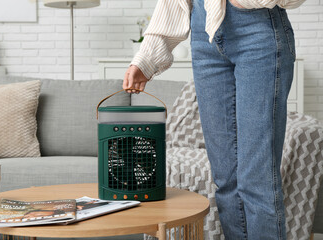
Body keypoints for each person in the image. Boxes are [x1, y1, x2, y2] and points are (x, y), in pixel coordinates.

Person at [123, 0, 306, 239]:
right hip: (204, 35)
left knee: (257, 179)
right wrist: (146, 58)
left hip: (258, 30)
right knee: (225, 180)